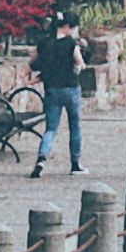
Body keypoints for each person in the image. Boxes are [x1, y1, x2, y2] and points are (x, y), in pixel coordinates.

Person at [31, 17, 90, 177]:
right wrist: (79, 66)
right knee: (75, 127)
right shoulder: (71, 43)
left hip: (51, 90)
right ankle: (75, 164)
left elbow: (34, 62)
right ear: (67, 27)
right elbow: (80, 62)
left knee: (51, 128)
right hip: (71, 88)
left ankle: (41, 159)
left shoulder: (44, 43)